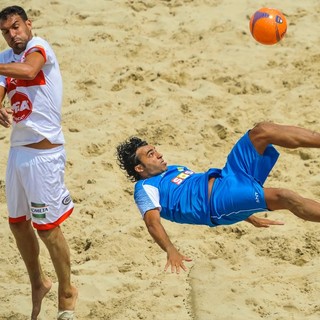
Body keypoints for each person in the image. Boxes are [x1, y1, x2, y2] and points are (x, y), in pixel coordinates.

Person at [116, 121, 320, 274]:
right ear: (139, 168)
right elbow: (152, 222)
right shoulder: (144, 187)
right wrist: (171, 250)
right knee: (285, 196)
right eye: (150, 154)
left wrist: (248, 215)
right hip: (217, 203)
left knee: (261, 131)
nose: (158, 154)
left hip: (228, 176)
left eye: (155, 150)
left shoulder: (174, 169)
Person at [0, 6, 77, 320]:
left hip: (45, 156)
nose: (13, 35)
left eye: (16, 27)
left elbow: (30, 71)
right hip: (18, 153)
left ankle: (67, 291)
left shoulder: (39, 47)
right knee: (18, 224)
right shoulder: (5, 59)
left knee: (48, 230)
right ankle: (38, 282)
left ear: (28, 24)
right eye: (6, 31)